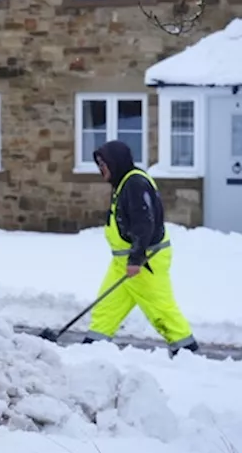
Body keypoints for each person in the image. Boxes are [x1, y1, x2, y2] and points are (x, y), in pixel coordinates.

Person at [84, 139, 199, 355]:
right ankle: (91, 348)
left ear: (115, 162)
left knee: (161, 310)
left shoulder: (135, 183)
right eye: (98, 164)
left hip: (146, 261)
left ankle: (187, 351)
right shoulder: (123, 183)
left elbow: (144, 223)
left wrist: (136, 259)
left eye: (104, 163)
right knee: (106, 307)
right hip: (123, 262)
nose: (101, 169)